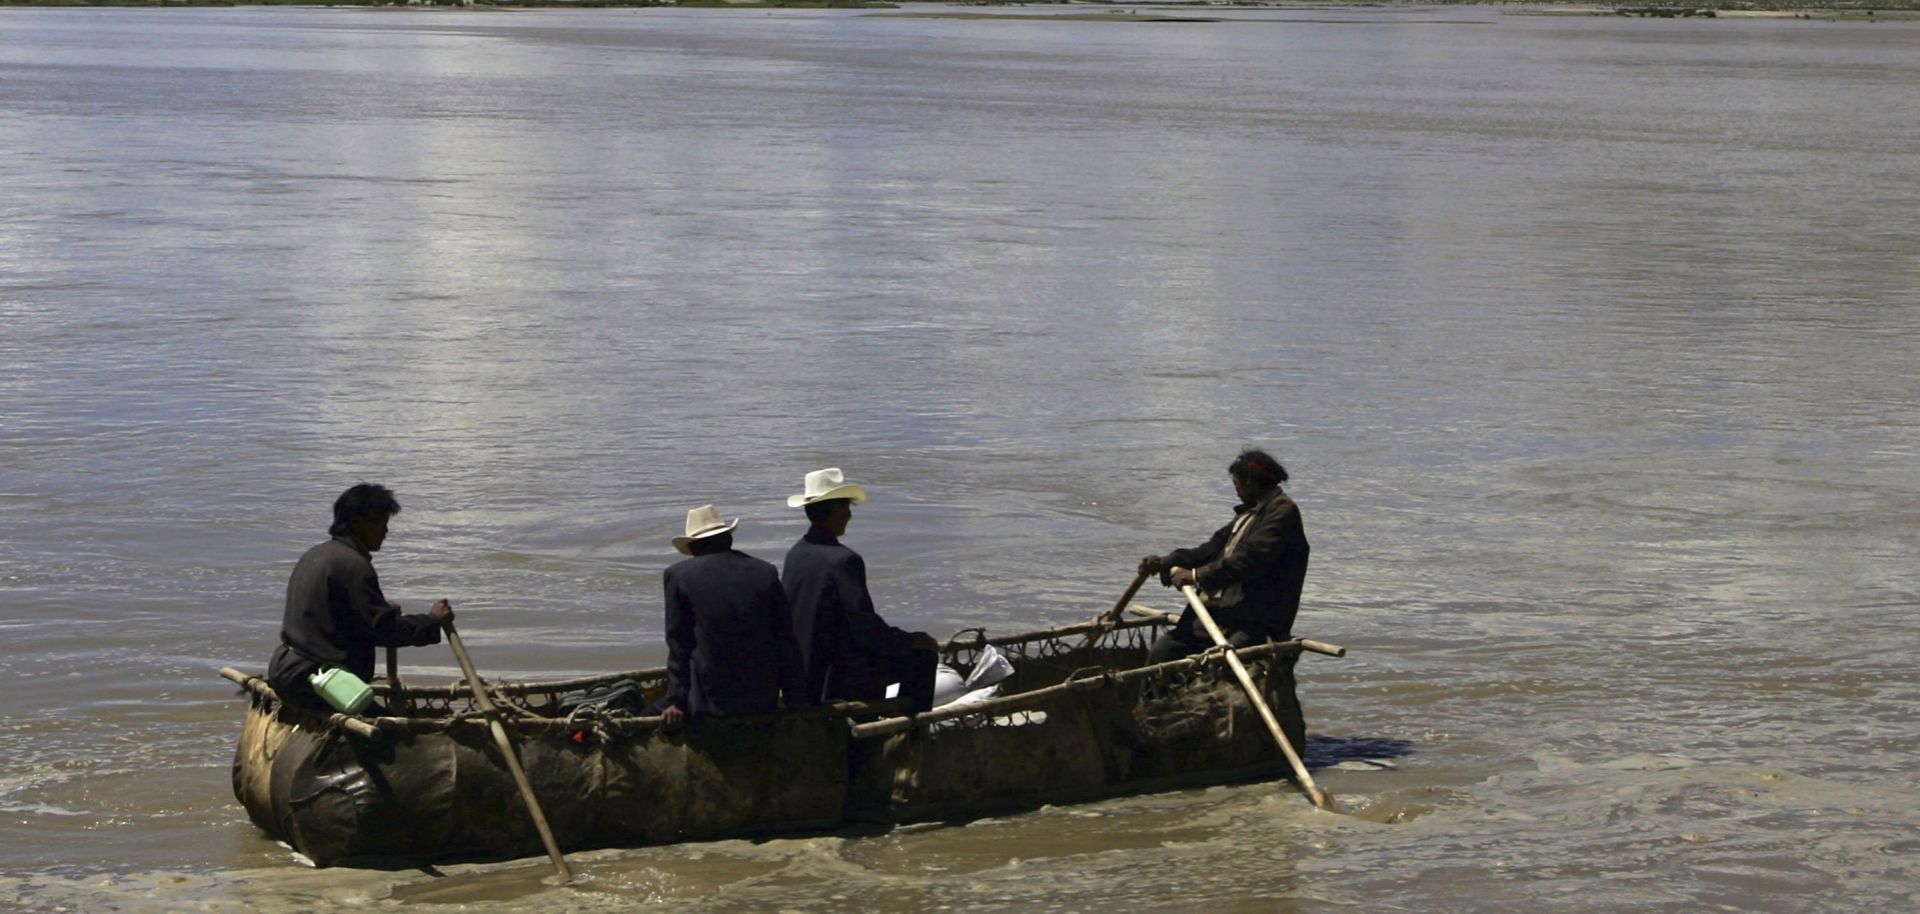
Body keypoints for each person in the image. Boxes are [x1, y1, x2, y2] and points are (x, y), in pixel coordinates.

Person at [267, 483, 453, 711]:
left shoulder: (317, 554)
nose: (385, 531)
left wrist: (383, 610)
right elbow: (384, 630)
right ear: (357, 522)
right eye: (379, 523)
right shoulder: (354, 566)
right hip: (318, 680)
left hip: (287, 668)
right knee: (394, 740)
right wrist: (433, 620)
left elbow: (340, 617)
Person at [781, 468, 939, 712]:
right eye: (847, 508)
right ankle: (906, 735)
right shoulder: (843, 560)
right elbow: (865, 628)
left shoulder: (795, 554)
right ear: (837, 511)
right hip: (835, 677)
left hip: (800, 674)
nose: (849, 516)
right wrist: (912, 640)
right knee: (923, 658)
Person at [1139, 450, 1310, 665]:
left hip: (1256, 620)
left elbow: (1249, 560)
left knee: (1223, 665)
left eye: (1237, 485)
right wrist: (1166, 562)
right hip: (1221, 613)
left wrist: (1195, 575)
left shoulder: (1282, 512)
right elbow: (1209, 550)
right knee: (1162, 653)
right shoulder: (1249, 514)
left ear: (1249, 482)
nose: (1236, 492)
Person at [659, 505, 810, 726]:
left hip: (710, 701)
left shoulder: (679, 576)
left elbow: (679, 644)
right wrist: (794, 697)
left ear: (692, 548)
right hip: (762, 696)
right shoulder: (765, 571)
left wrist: (676, 701)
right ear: (728, 540)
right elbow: (785, 640)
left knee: (645, 712)